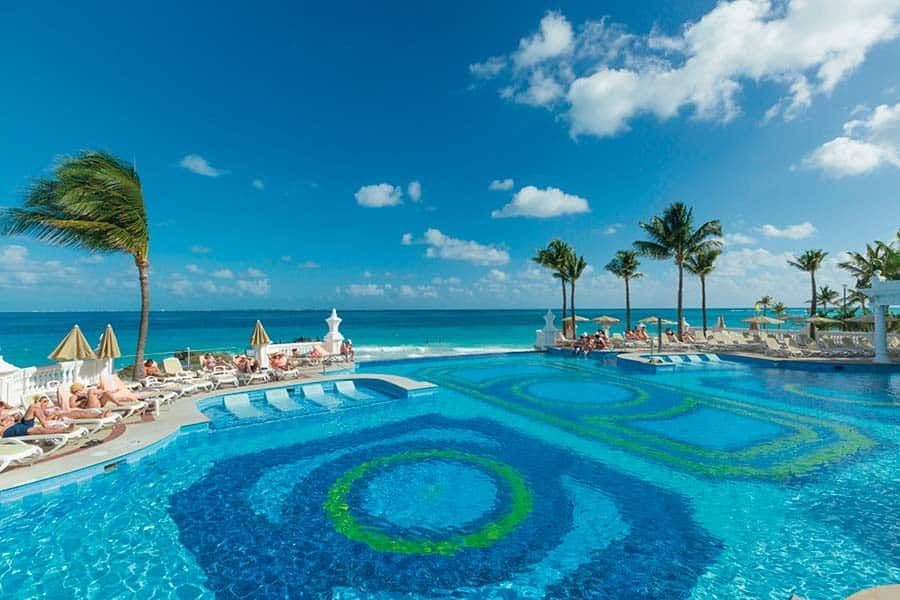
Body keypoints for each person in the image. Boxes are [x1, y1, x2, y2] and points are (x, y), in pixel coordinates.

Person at [1, 400, 76, 438]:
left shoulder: (4, 412)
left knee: (34, 406)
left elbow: (11, 407)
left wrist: (16, 417)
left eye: (1, 406)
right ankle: (63, 430)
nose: (2, 408)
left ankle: (46, 425)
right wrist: (10, 423)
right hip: (9, 430)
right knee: (36, 430)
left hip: (19, 423)